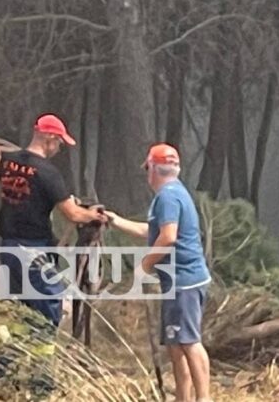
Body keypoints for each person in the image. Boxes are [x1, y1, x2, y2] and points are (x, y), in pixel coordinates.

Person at [0, 113, 106, 398]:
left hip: (9, 248)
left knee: (22, 314)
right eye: (59, 143)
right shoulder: (48, 173)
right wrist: (94, 214)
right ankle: (42, 384)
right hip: (33, 251)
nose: (59, 148)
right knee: (49, 310)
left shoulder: (10, 161)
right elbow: (73, 214)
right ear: (49, 138)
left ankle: (4, 380)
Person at [106, 143, 212, 402]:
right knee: (176, 344)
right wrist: (114, 220)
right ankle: (183, 398)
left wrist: (144, 267)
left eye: (148, 169)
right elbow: (150, 232)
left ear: (154, 169)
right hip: (180, 280)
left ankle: (204, 398)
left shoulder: (167, 197)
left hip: (183, 281)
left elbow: (167, 238)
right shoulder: (174, 194)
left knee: (189, 342)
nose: (147, 176)